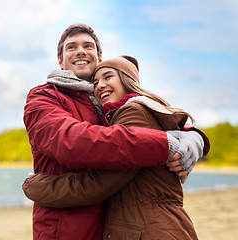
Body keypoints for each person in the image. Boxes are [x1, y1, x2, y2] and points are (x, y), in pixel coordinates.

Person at [23, 23, 209, 240]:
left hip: (118, 226)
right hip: (66, 229)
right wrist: (168, 142)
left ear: (99, 58)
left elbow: (151, 120)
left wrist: (194, 137)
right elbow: (70, 141)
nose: (81, 51)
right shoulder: (45, 96)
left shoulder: (116, 106)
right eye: (71, 47)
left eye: (88, 46)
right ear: (60, 61)